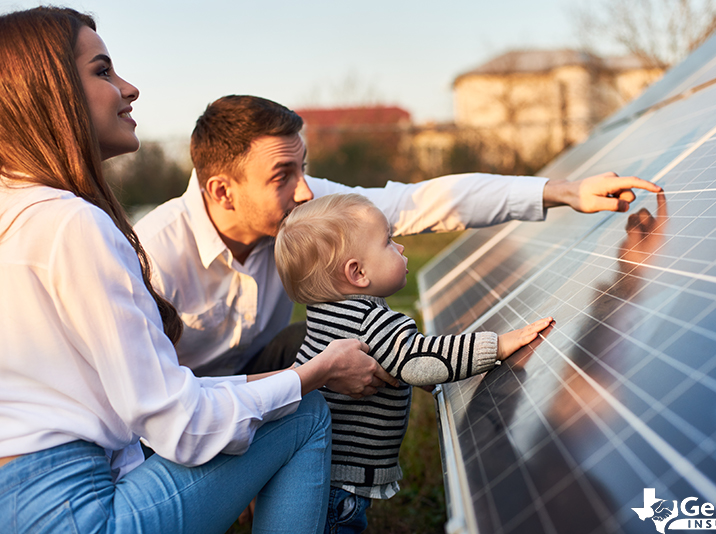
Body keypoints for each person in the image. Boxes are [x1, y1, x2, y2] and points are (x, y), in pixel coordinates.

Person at [0, 7, 395, 534]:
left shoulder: (16, 212)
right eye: (102, 71)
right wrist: (313, 375)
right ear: (49, 93)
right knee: (303, 412)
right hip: (73, 513)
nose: (129, 88)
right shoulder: (72, 224)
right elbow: (178, 426)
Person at [134, 95, 663, 379]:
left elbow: (419, 202)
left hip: (261, 375)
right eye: (282, 177)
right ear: (222, 192)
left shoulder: (305, 206)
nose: (304, 193)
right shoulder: (152, 255)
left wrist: (561, 190)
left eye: (304, 169)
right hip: (179, 414)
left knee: (347, 341)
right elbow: (147, 400)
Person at [274, 193, 556, 533]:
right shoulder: (371, 321)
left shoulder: (324, 317)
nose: (402, 249)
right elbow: (419, 359)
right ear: (358, 273)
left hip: (316, 470)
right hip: (340, 486)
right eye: (389, 242)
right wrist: (497, 345)